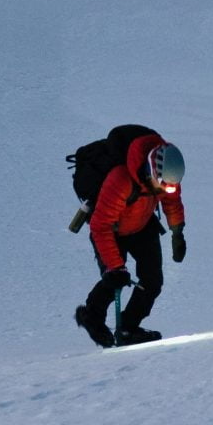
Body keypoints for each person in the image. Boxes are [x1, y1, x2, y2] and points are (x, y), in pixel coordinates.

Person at [76, 131, 187, 346]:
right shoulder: (120, 180)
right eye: (162, 185)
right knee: (114, 280)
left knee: (152, 281)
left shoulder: (168, 176)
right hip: (111, 230)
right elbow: (100, 226)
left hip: (143, 225)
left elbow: (172, 202)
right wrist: (116, 266)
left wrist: (177, 232)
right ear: (152, 170)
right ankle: (91, 316)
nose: (167, 190)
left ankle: (128, 327)